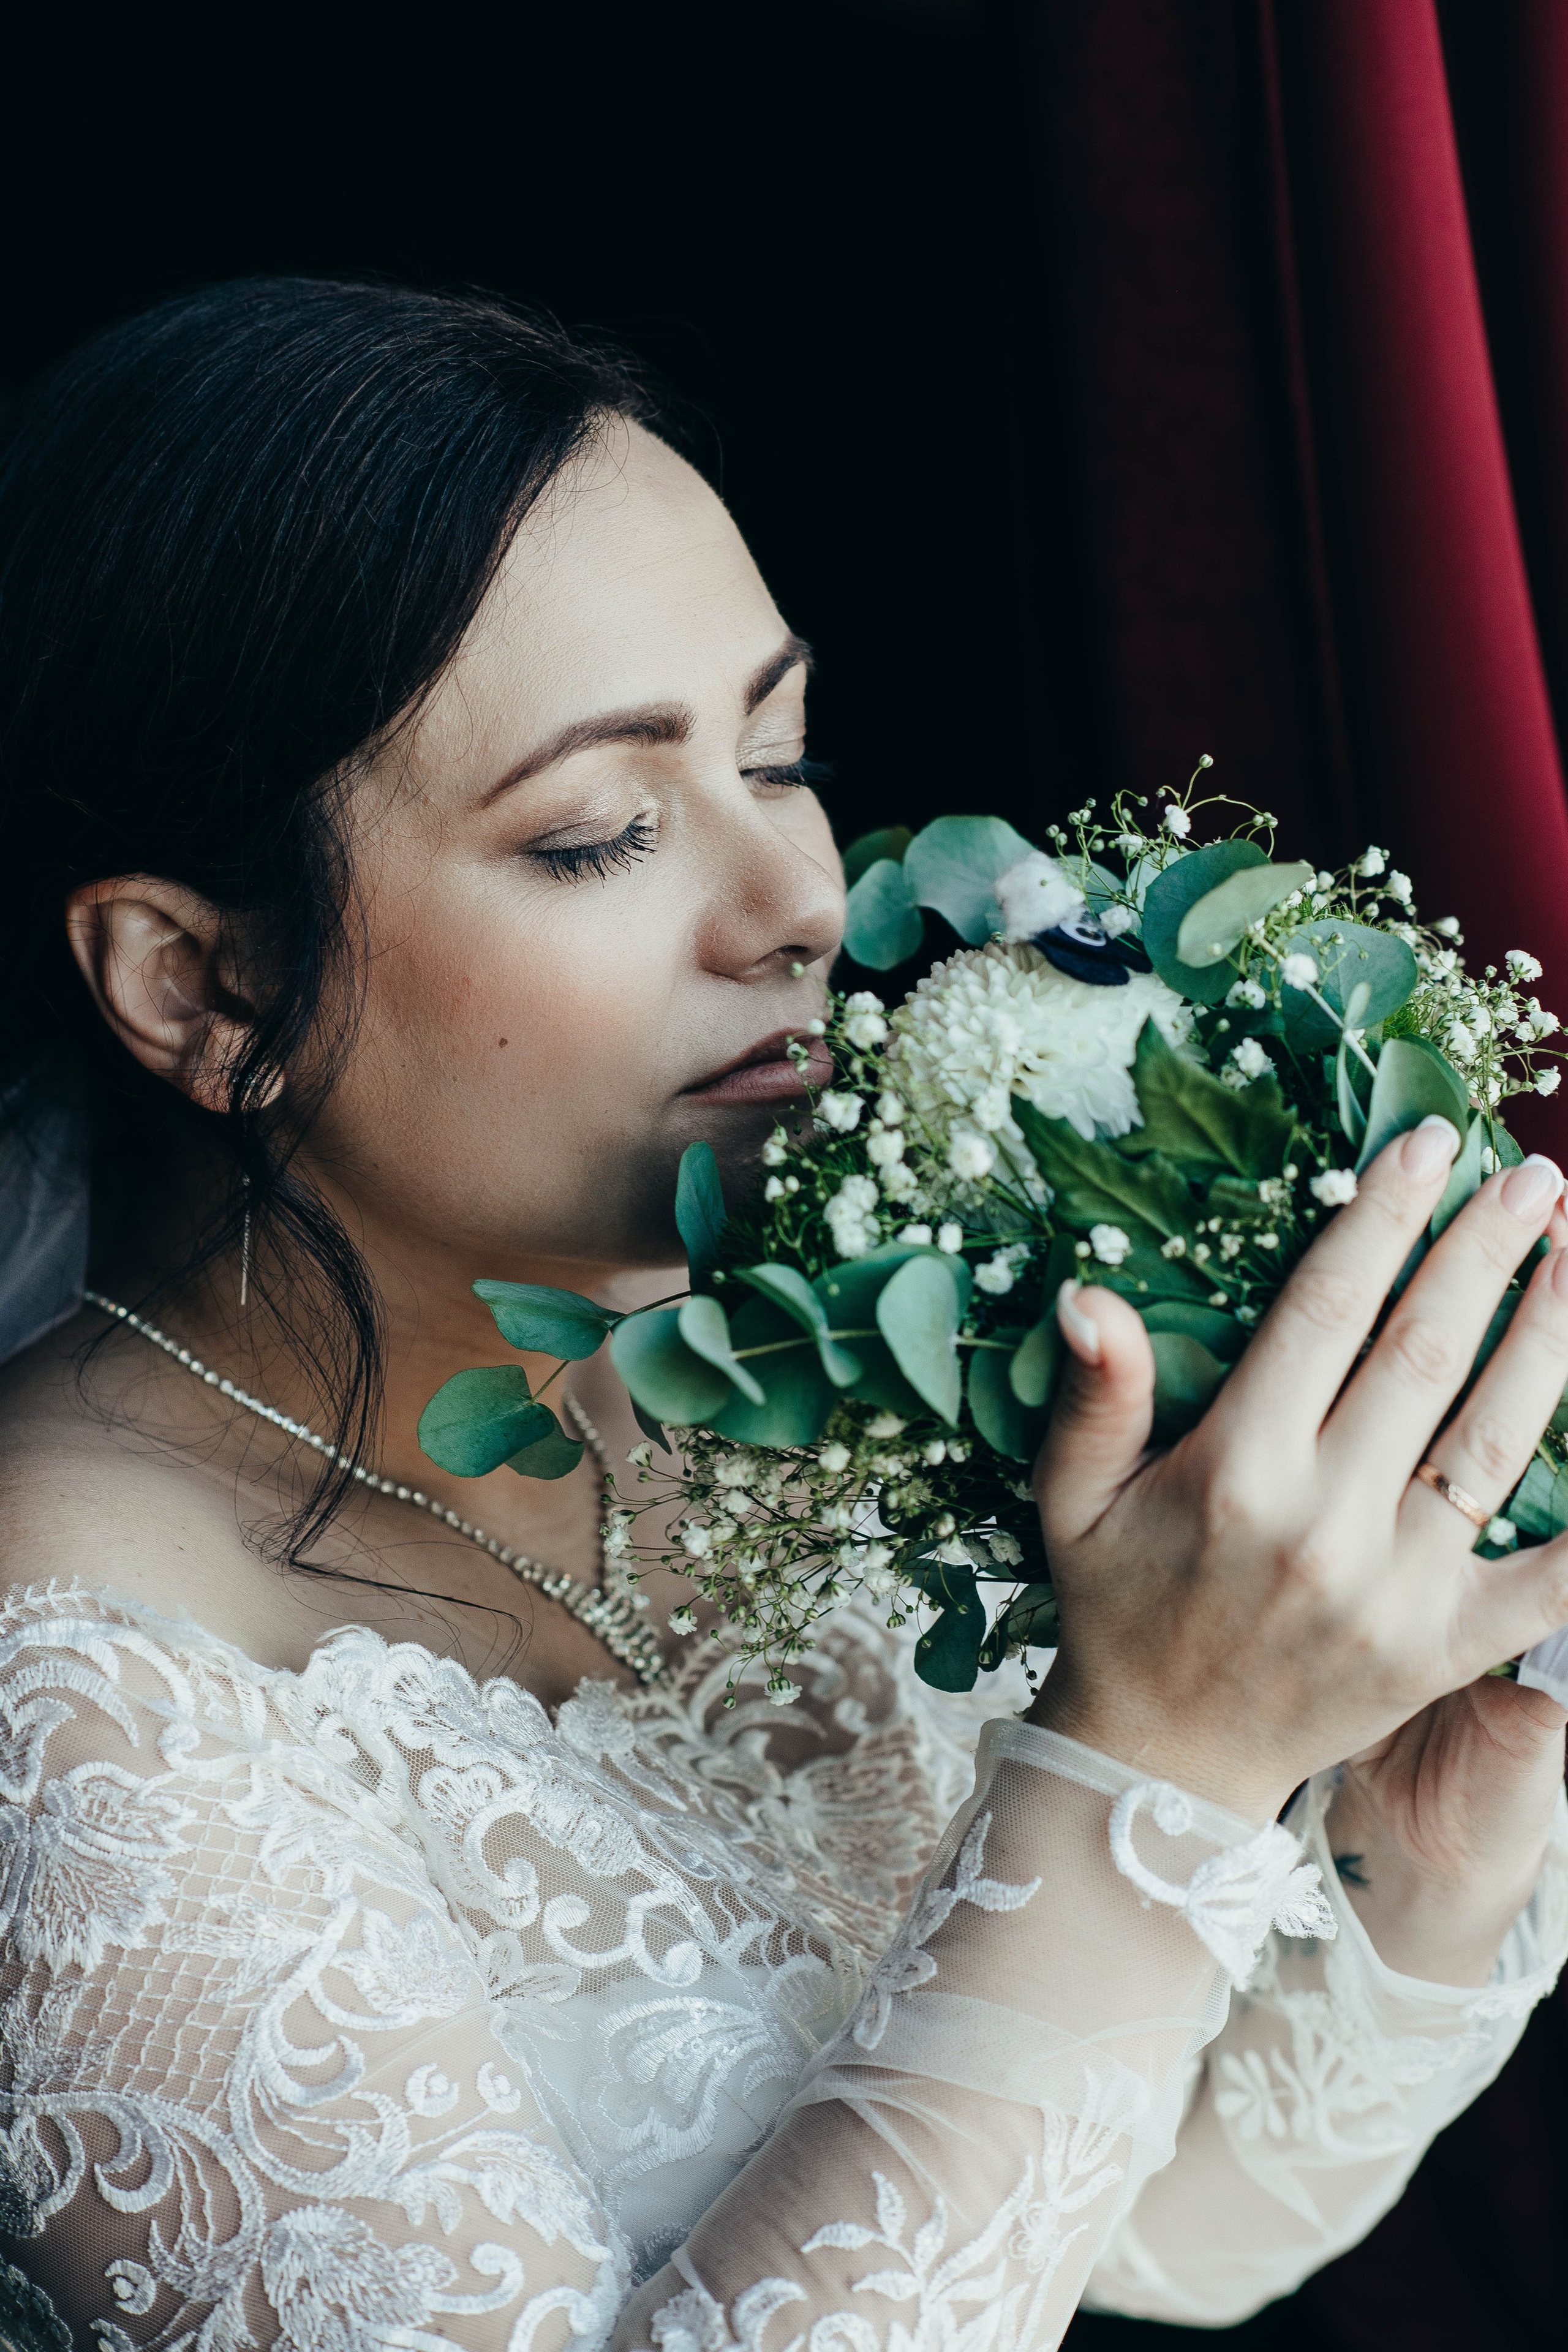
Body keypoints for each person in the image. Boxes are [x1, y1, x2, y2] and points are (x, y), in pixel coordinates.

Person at [0, 280, 1564, 2352]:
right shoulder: (63, 1686)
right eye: (603, 833)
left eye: (781, 752)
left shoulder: (800, 1389)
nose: (801, 904)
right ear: (200, 991)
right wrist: (1152, 1774)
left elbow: (1155, 2230)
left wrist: (1407, 1842)